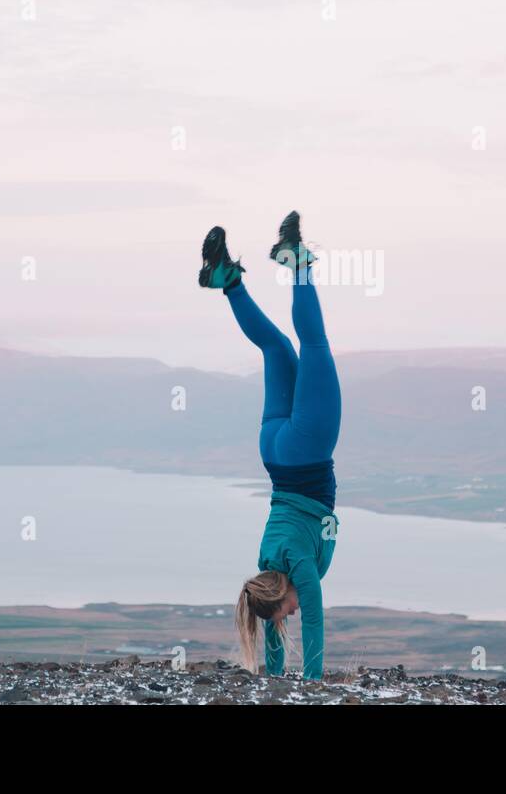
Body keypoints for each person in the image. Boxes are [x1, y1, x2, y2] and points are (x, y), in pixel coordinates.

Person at [199, 211, 341, 681]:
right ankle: (228, 281)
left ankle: (298, 263)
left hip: (306, 453)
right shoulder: (265, 563)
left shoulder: (301, 570)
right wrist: (275, 680)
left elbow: (314, 620)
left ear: (280, 592)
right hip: (274, 453)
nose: (293, 615)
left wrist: (312, 686)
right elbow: (274, 625)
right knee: (277, 349)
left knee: (313, 344)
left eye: (286, 611)